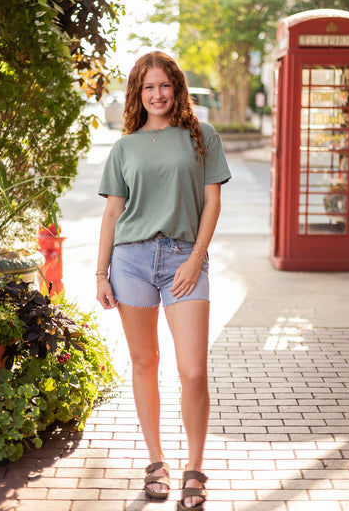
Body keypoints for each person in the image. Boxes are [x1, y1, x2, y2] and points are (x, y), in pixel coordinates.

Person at [96, 51, 231, 510]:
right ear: (139, 93)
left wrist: (195, 259)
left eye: (165, 85)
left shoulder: (202, 137)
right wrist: (101, 274)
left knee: (193, 370)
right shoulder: (125, 147)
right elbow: (113, 212)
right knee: (145, 362)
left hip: (181, 258)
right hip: (130, 260)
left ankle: (195, 467)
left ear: (177, 88)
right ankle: (156, 461)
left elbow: (211, 204)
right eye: (148, 87)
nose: (157, 94)